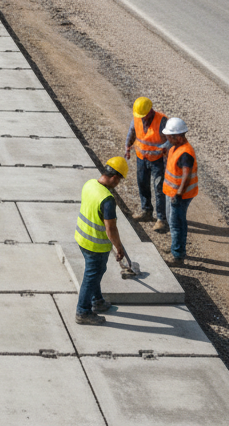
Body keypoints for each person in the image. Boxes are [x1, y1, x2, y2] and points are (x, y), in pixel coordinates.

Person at [74, 157, 129, 325]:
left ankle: (97, 300)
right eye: (119, 180)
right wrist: (119, 247)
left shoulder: (90, 184)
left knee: (96, 271)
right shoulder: (107, 200)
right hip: (95, 245)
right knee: (92, 275)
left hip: (82, 238)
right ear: (114, 177)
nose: (118, 184)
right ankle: (83, 312)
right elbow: (110, 229)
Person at [125, 96, 168, 232]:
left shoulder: (162, 121)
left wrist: (165, 150)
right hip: (141, 158)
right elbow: (132, 131)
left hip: (157, 161)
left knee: (159, 189)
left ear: (150, 110)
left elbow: (171, 139)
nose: (142, 118)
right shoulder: (137, 117)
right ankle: (146, 211)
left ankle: (161, 218)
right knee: (142, 184)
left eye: (144, 115)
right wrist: (128, 146)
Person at [162, 117, 198, 265]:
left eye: (169, 136)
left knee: (177, 224)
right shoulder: (175, 148)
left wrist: (179, 194)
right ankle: (175, 248)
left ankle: (178, 256)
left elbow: (186, 176)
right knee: (173, 221)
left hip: (179, 195)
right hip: (172, 193)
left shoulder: (185, 153)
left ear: (178, 136)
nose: (167, 138)